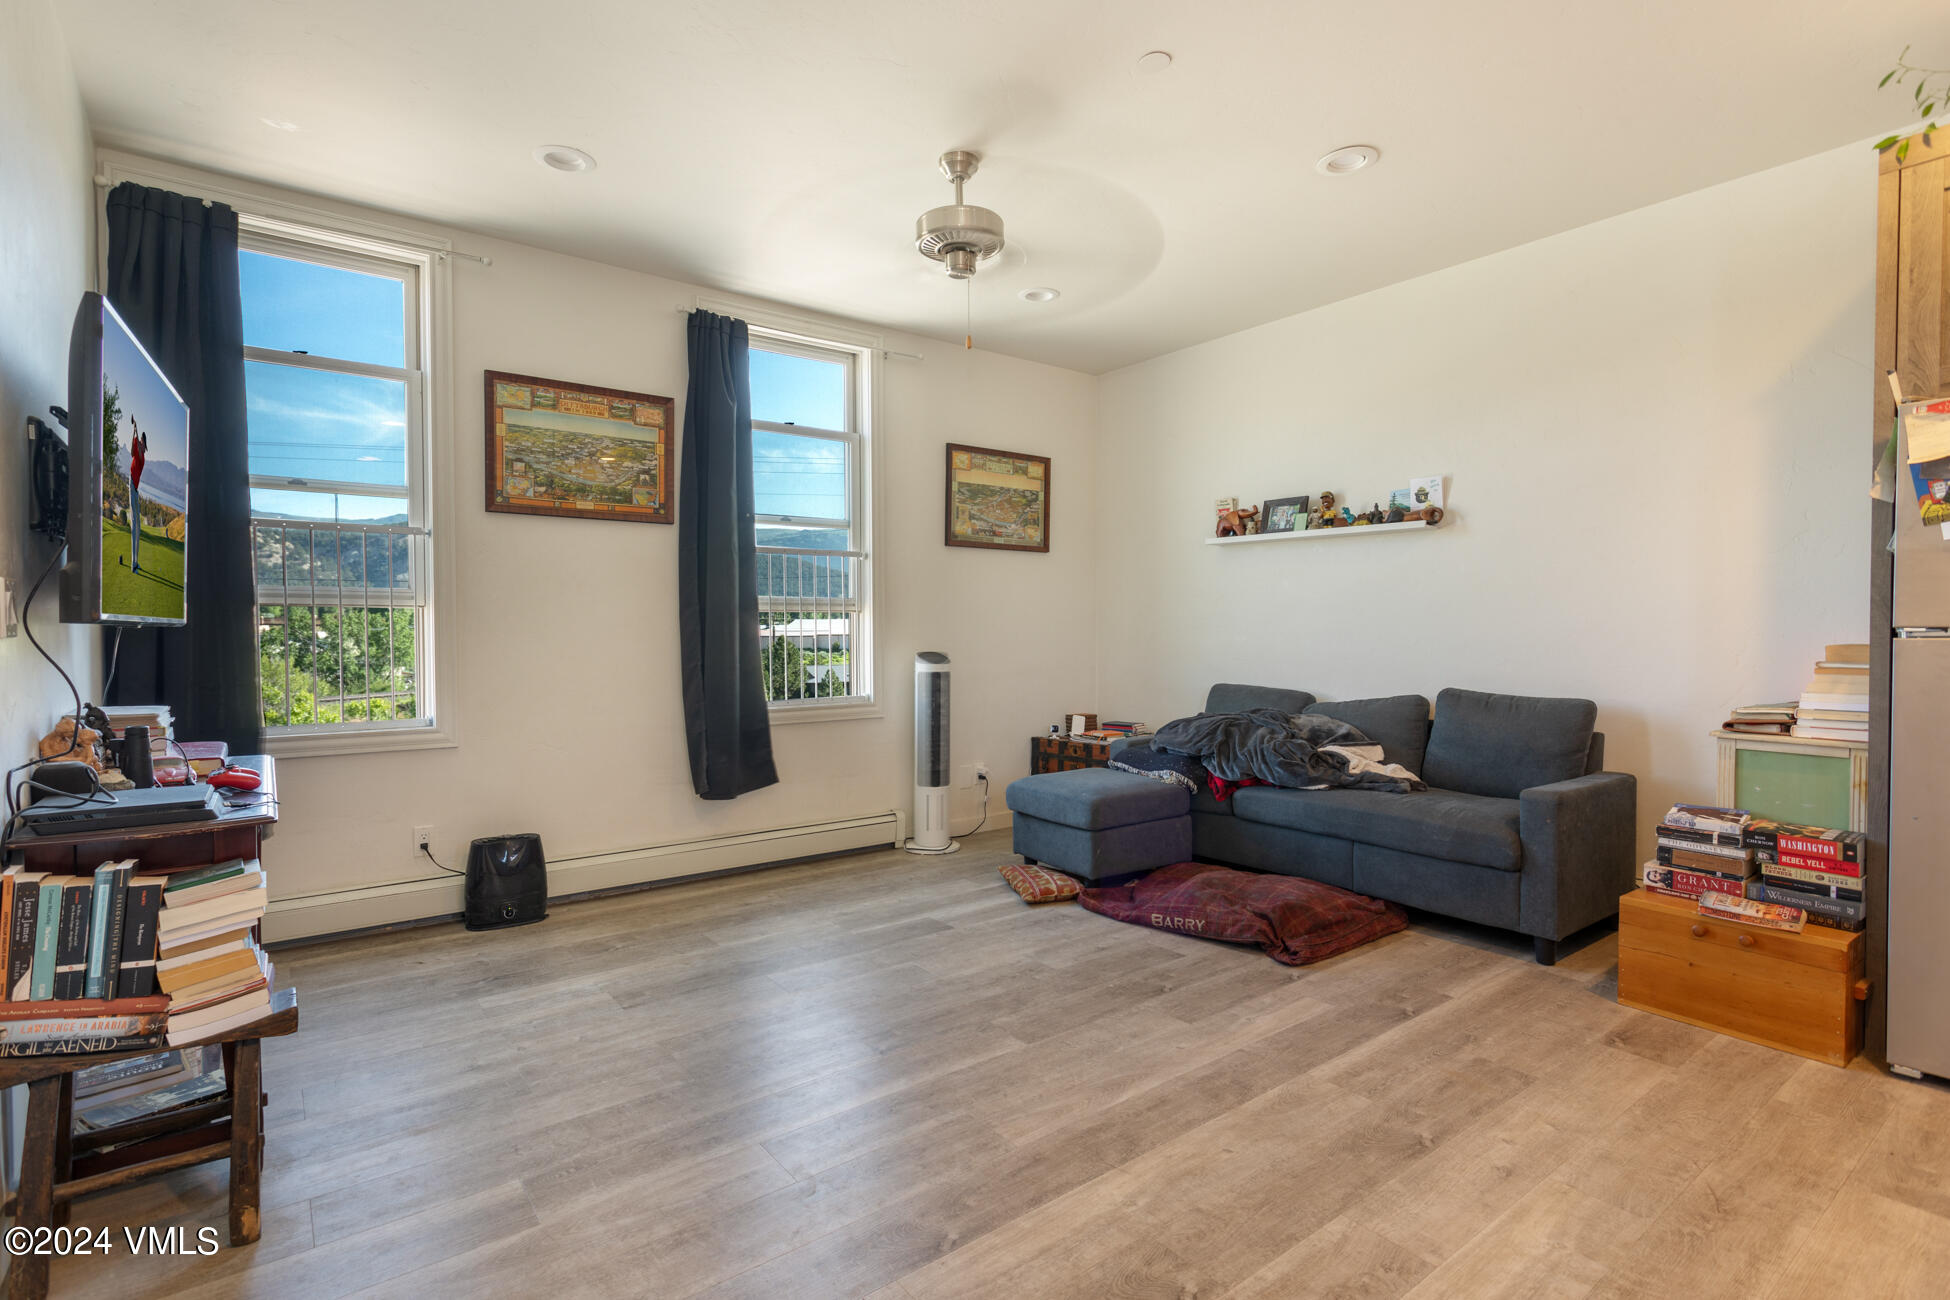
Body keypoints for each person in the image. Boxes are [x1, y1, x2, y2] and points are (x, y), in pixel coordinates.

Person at [128, 424, 148, 574]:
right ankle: (132, 564)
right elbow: (131, 451)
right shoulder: (137, 451)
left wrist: (137, 436)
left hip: (135, 489)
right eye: (140, 441)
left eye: (142, 442)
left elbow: (137, 453)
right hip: (131, 485)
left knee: (138, 527)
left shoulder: (142, 458)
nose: (140, 443)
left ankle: (136, 561)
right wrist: (134, 431)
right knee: (134, 524)